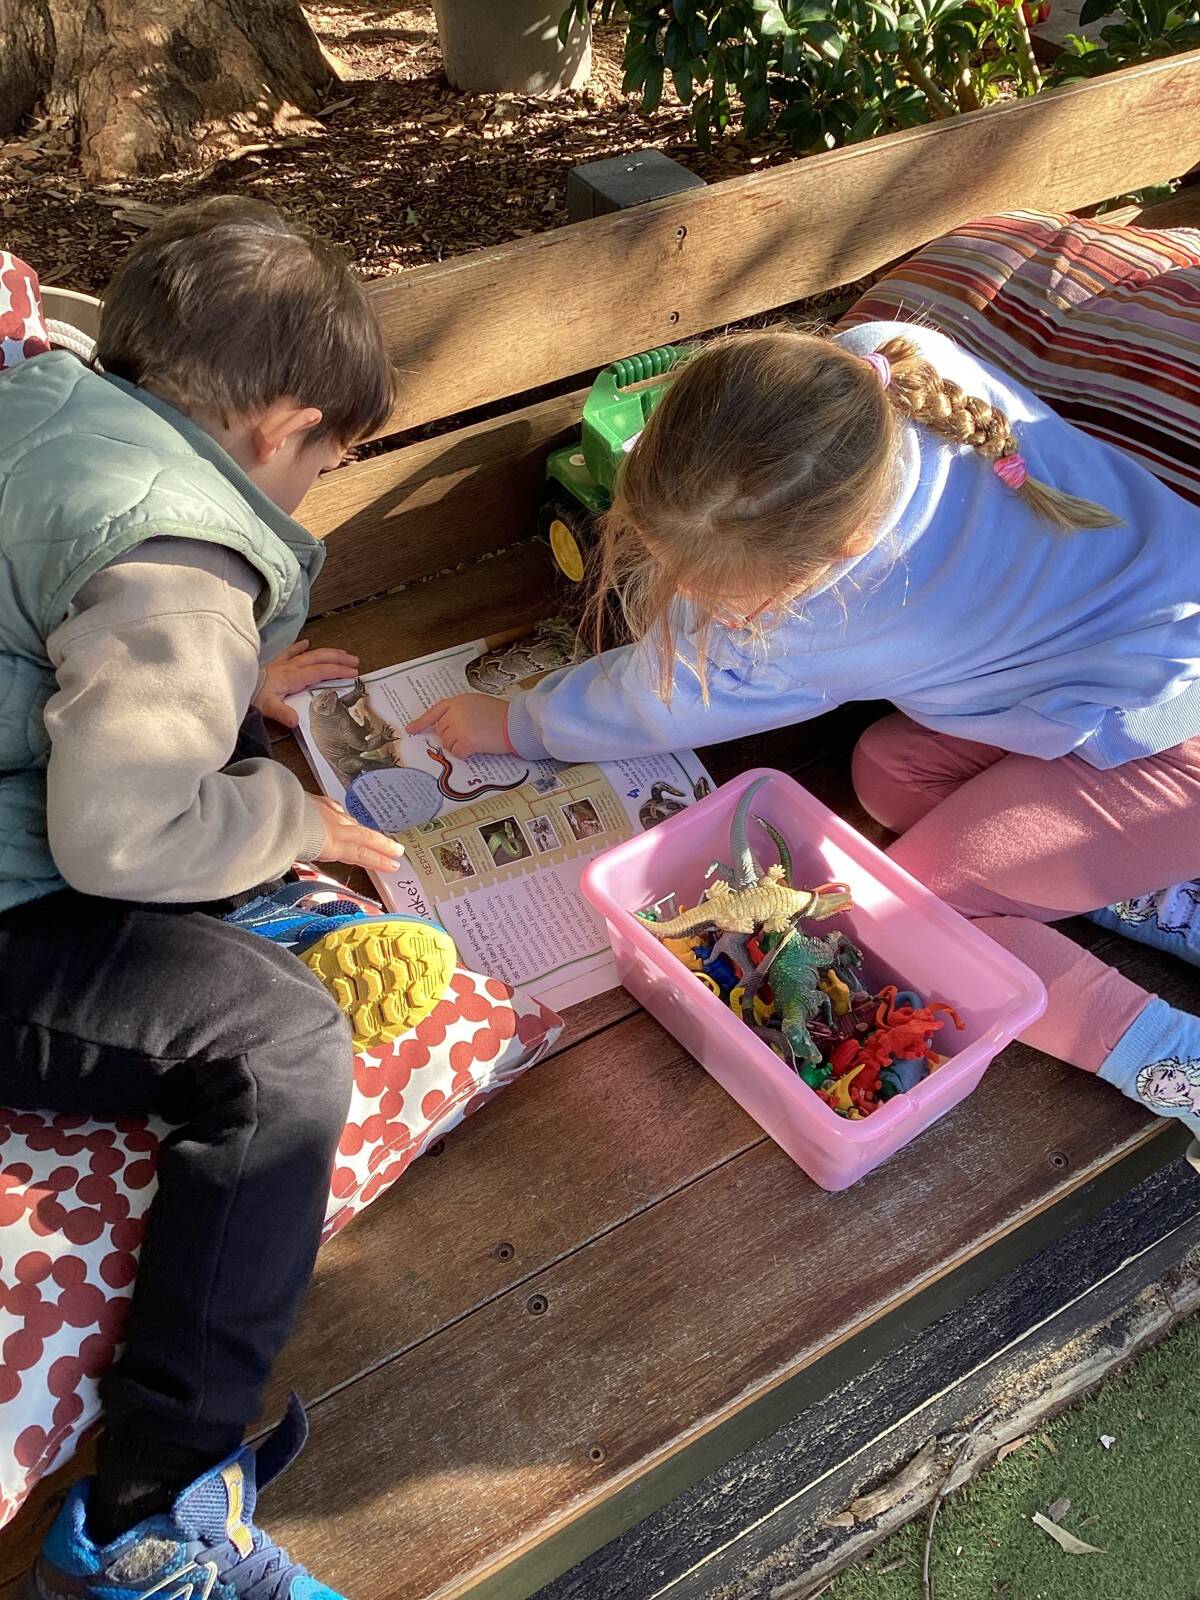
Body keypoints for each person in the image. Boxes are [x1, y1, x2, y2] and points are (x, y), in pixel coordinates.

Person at [412, 320, 1200, 1140]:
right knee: (886, 774)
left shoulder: (826, 623)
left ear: (844, 551)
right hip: (1115, 680)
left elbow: (660, 697)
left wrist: (518, 721)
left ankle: (1177, 1062)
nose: (688, 601)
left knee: (921, 929)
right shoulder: (875, 362)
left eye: (720, 598)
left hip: (1167, 741)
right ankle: (1144, 882)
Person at [0, 205, 455, 1599]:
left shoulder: (48, 390)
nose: (324, 476)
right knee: (280, 1051)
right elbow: (122, 844)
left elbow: (54, 597)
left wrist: (224, 675)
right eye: (336, 456)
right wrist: (298, 819)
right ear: (286, 426)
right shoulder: (182, 561)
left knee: (248, 885)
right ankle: (147, 1513)